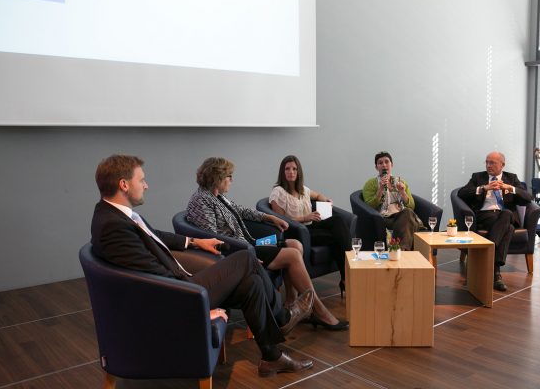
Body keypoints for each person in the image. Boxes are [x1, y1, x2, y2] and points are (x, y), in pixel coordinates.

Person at [90, 154, 315, 377]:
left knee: (253, 282)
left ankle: (271, 357)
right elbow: (148, 277)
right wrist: (198, 306)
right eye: (142, 180)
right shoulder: (113, 226)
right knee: (246, 257)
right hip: (179, 294)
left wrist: (194, 240)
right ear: (124, 184)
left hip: (179, 283)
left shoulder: (115, 216)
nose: (146, 185)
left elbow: (154, 236)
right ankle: (283, 318)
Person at [186, 157, 348, 331]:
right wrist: (246, 254)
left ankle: (291, 303)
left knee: (295, 244)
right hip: (241, 251)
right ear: (217, 178)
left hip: (251, 243)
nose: (232, 180)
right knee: (292, 255)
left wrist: (270, 217)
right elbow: (214, 239)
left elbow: (241, 210)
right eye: (229, 176)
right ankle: (319, 311)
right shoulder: (201, 201)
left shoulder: (217, 196)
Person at [269, 155, 351, 299]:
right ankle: (348, 277)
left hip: (311, 226)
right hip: (297, 233)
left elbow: (318, 194)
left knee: (338, 221)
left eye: (294, 169)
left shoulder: (303, 190)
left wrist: (325, 200)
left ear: (299, 171)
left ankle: (347, 275)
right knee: (336, 238)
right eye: (287, 169)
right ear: (282, 172)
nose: (291, 172)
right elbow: (281, 220)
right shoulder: (278, 192)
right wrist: (305, 218)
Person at [457, 151, 531, 291]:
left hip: (504, 214)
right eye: (487, 162)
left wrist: (510, 188)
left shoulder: (511, 178)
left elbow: (528, 197)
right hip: (485, 215)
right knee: (507, 227)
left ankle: (489, 259)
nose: (488, 165)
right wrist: (484, 188)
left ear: (502, 164)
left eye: (492, 162)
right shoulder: (478, 177)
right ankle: (496, 275)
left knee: (507, 216)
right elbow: (462, 193)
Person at [362, 151, 422, 250]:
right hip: (384, 217)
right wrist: (380, 189)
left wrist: (402, 192)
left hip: (402, 215)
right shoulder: (370, 184)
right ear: (376, 167)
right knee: (409, 217)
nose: (384, 165)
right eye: (380, 163)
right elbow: (369, 206)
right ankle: (403, 252)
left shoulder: (400, 182)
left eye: (387, 162)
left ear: (392, 165)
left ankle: (399, 250)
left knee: (407, 213)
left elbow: (411, 206)